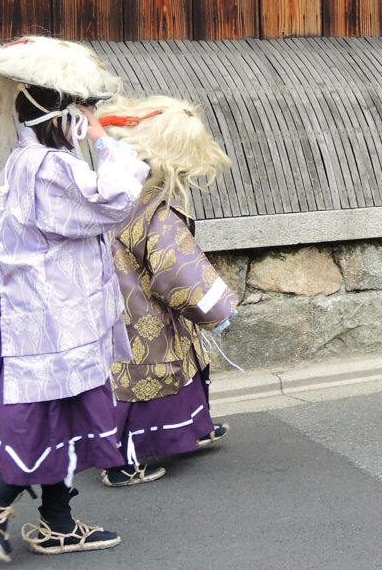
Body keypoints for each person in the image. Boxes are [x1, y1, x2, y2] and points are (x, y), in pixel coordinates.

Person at [0, 36, 150, 560]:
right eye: (82, 111)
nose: (88, 120)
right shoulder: (51, 168)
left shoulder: (28, 160)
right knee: (48, 419)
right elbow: (114, 201)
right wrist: (106, 142)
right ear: (62, 115)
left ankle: (58, 523)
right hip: (55, 321)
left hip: (46, 315)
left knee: (60, 419)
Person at [94, 95, 238, 486]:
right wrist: (218, 309)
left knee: (171, 370)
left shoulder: (118, 192)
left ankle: (193, 428)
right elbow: (180, 269)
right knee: (145, 381)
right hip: (145, 312)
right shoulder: (155, 210)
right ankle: (121, 463)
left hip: (120, 304)